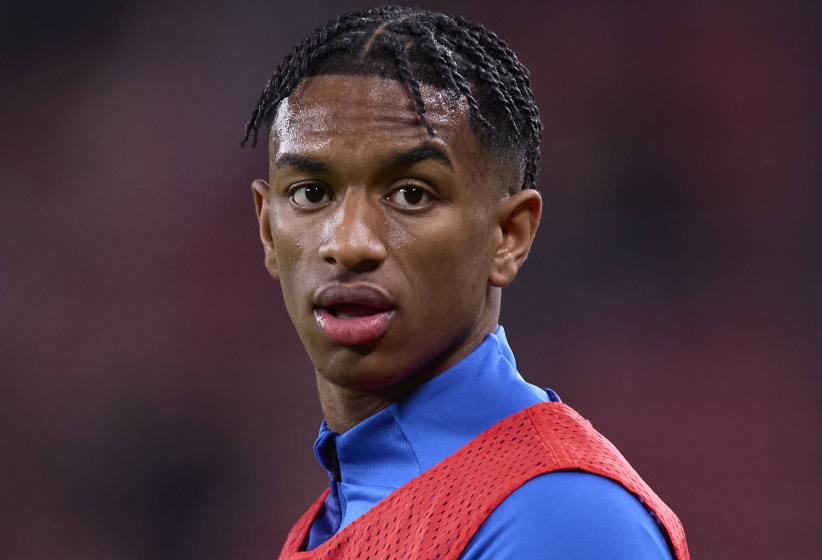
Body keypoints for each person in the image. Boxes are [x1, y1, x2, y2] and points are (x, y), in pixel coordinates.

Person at [242, 6, 690, 559]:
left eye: (411, 194)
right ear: (268, 228)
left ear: (509, 236)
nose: (350, 243)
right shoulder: (335, 516)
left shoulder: (562, 519)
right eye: (311, 193)